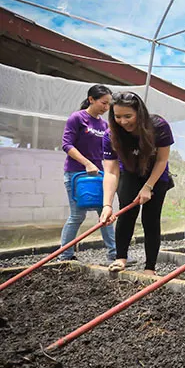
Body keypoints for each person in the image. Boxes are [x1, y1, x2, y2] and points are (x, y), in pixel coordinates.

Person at [100, 91, 174, 276]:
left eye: (128, 116)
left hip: (156, 176)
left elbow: (162, 160)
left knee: (151, 219)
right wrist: (107, 204)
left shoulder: (158, 126)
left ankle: (150, 267)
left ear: (139, 113)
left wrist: (148, 187)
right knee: (126, 213)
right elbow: (110, 171)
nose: (123, 122)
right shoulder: (110, 135)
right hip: (130, 174)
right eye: (117, 116)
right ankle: (120, 259)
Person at [59, 85, 116, 262]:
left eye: (109, 104)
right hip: (77, 175)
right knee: (77, 215)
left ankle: (114, 254)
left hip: (98, 175)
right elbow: (67, 145)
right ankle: (65, 255)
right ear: (91, 99)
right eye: (103, 103)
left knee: (105, 213)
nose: (106, 108)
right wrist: (87, 163)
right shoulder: (77, 118)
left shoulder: (104, 124)